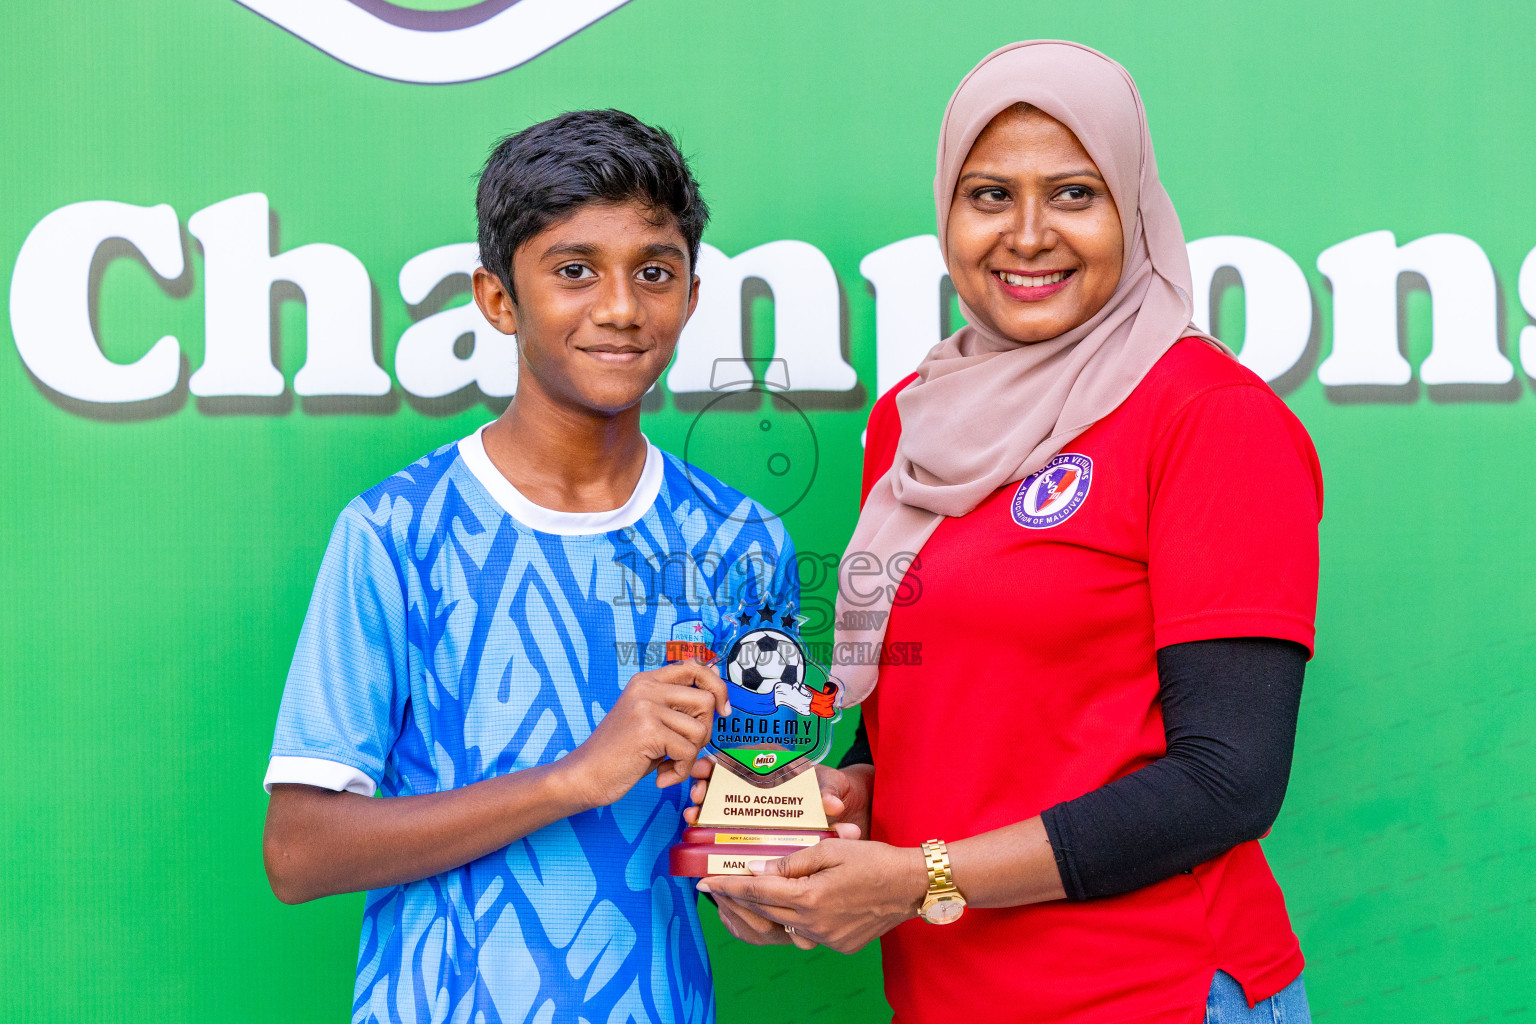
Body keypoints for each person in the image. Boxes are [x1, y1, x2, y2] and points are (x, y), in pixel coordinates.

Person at [697, 41, 1323, 1024]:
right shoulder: (915, 417)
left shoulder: (1207, 416)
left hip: (1150, 992)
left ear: (1135, 209)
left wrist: (916, 877)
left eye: (1074, 194)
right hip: (953, 995)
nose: (1028, 234)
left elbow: (1227, 783)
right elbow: (925, 715)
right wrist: (828, 807)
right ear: (948, 212)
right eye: (990, 195)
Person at [261, 109, 797, 1024]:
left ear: (693, 296)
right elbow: (300, 851)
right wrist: (574, 778)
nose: (622, 307)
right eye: (575, 270)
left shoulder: (743, 545)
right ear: (498, 298)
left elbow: (748, 847)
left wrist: (772, 869)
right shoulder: (395, 532)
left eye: (655, 272)